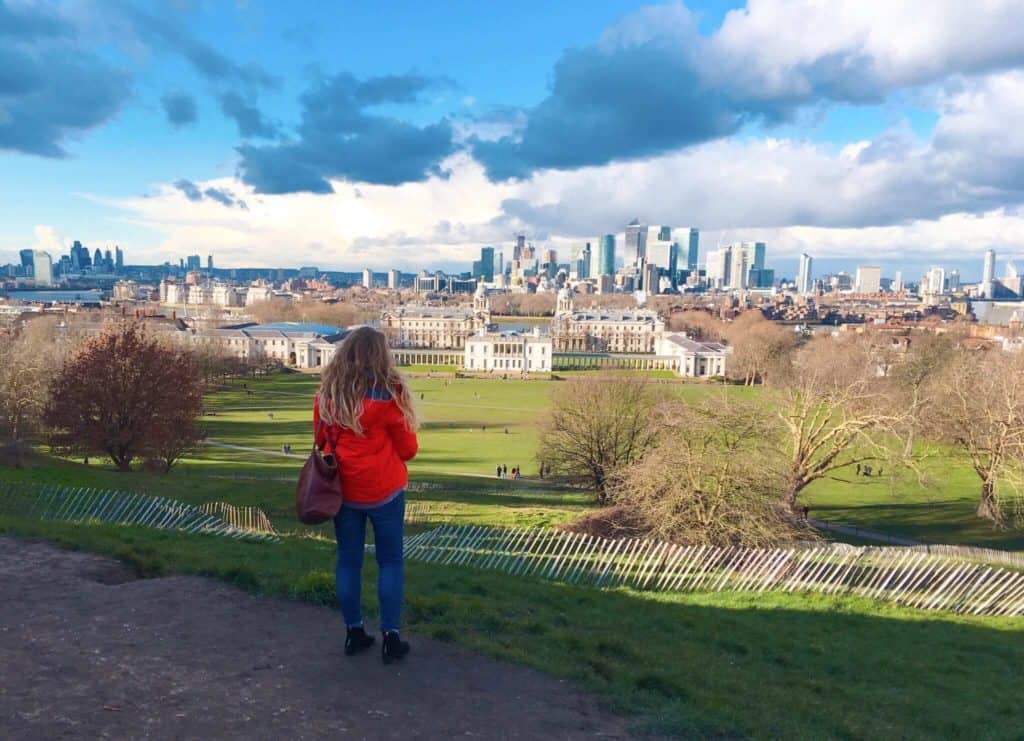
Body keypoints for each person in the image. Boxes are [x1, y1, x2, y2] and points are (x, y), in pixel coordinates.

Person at [314, 326, 419, 664]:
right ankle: (391, 637)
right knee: (390, 562)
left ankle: (354, 631)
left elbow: (321, 439)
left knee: (348, 561)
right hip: (385, 489)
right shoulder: (389, 394)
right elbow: (408, 449)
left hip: (343, 490)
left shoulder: (328, 392)